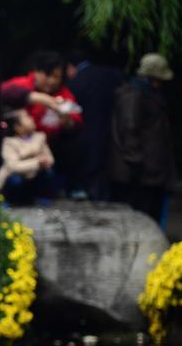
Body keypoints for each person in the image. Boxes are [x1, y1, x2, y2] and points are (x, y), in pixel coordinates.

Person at [1, 51, 85, 198]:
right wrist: (40, 98)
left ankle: (69, 188)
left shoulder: (64, 95)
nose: (52, 81)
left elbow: (75, 124)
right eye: (48, 75)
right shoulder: (23, 84)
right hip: (19, 149)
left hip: (48, 149)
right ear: (37, 72)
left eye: (57, 77)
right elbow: (2, 91)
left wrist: (64, 119)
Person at [109, 53, 175, 227]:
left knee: (151, 213)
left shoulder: (146, 93)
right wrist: (136, 162)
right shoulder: (134, 94)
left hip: (149, 169)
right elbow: (129, 129)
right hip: (139, 172)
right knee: (140, 217)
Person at [65, 49, 124, 200]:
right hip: (113, 127)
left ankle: (87, 192)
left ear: (71, 67)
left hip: (84, 130)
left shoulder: (76, 82)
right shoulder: (111, 74)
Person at [0, 108, 55, 205]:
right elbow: (13, 166)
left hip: (34, 175)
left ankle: (38, 196)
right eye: (27, 117)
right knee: (15, 180)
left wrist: (46, 161)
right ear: (17, 127)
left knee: (48, 172)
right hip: (16, 174)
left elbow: (50, 158)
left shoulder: (39, 137)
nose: (31, 118)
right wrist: (37, 162)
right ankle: (9, 199)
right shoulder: (10, 142)